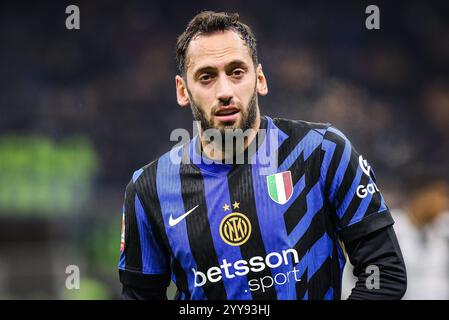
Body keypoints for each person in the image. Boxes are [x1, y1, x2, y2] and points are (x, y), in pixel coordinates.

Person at [117, 11, 406, 300]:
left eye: (236, 72)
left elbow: (384, 272)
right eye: (206, 77)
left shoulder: (323, 151)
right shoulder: (148, 188)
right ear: (183, 91)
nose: (225, 91)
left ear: (260, 79)